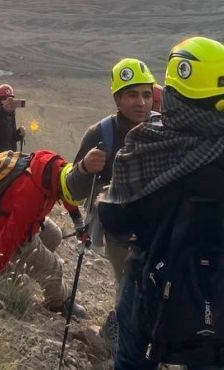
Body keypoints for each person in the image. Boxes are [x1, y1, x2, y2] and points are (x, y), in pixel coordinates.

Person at [98, 36, 224, 369]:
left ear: (174, 95)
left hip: (148, 280)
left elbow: (115, 220)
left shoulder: (146, 148)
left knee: (131, 357)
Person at [64, 59, 157, 346]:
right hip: (120, 233)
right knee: (130, 286)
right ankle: (121, 341)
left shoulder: (164, 127)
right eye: (132, 95)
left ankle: (135, 334)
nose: (141, 102)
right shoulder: (99, 135)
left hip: (158, 227)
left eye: (146, 94)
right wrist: (82, 168)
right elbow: (71, 191)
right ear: (117, 98)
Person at [0, 150, 86, 318]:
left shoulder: (57, 170)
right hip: (8, 231)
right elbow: (11, 233)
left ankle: (32, 265)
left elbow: (68, 192)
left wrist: (79, 223)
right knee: (54, 268)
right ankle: (57, 303)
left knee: (55, 234)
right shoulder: (30, 195)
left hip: (25, 220)